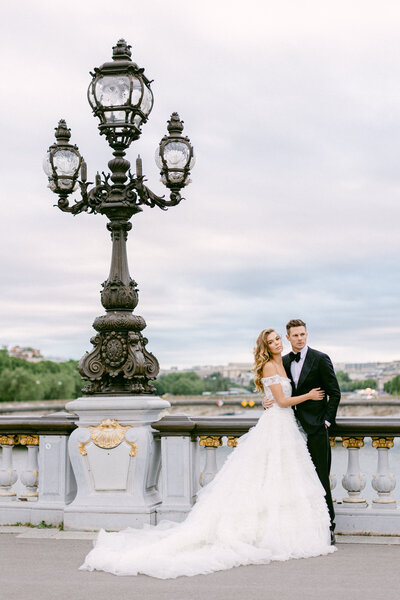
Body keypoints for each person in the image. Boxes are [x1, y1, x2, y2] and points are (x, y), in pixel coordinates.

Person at [80, 327, 335, 579]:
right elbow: (280, 400)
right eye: (273, 341)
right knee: (268, 476)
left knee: (282, 478)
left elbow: (277, 394)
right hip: (278, 423)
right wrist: (308, 396)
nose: (278, 343)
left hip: (287, 426)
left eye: (279, 338)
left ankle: (283, 528)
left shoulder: (287, 362)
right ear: (266, 346)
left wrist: (271, 399)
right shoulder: (271, 366)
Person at [264, 319, 340, 544]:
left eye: (302, 334)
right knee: (295, 479)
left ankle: (328, 527)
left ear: (307, 335)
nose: (299, 338)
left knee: (320, 477)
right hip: (290, 429)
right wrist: (265, 401)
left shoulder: (321, 358)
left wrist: (326, 422)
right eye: (295, 335)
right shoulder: (283, 361)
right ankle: (300, 527)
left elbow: (334, 393)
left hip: (316, 429)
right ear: (288, 338)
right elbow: (278, 392)